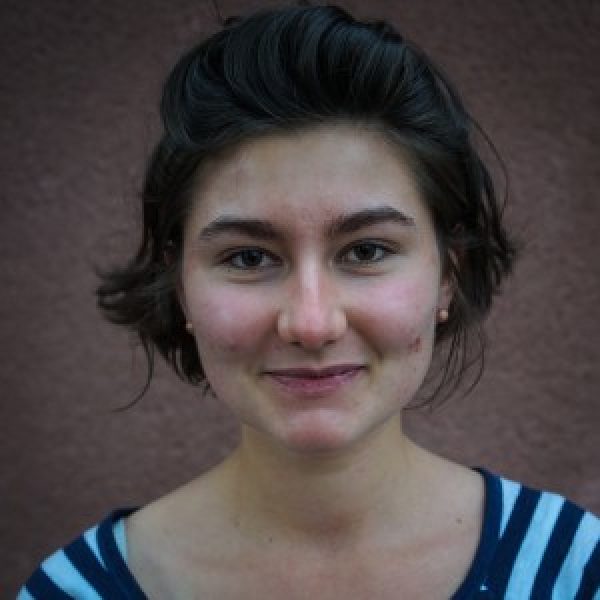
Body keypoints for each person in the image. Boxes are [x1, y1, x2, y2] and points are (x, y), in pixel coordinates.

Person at [18, 4, 600, 599]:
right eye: (249, 258)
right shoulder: (76, 591)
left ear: (449, 275)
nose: (312, 323)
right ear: (180, 285)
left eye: (367, 251)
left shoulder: (576, 571)